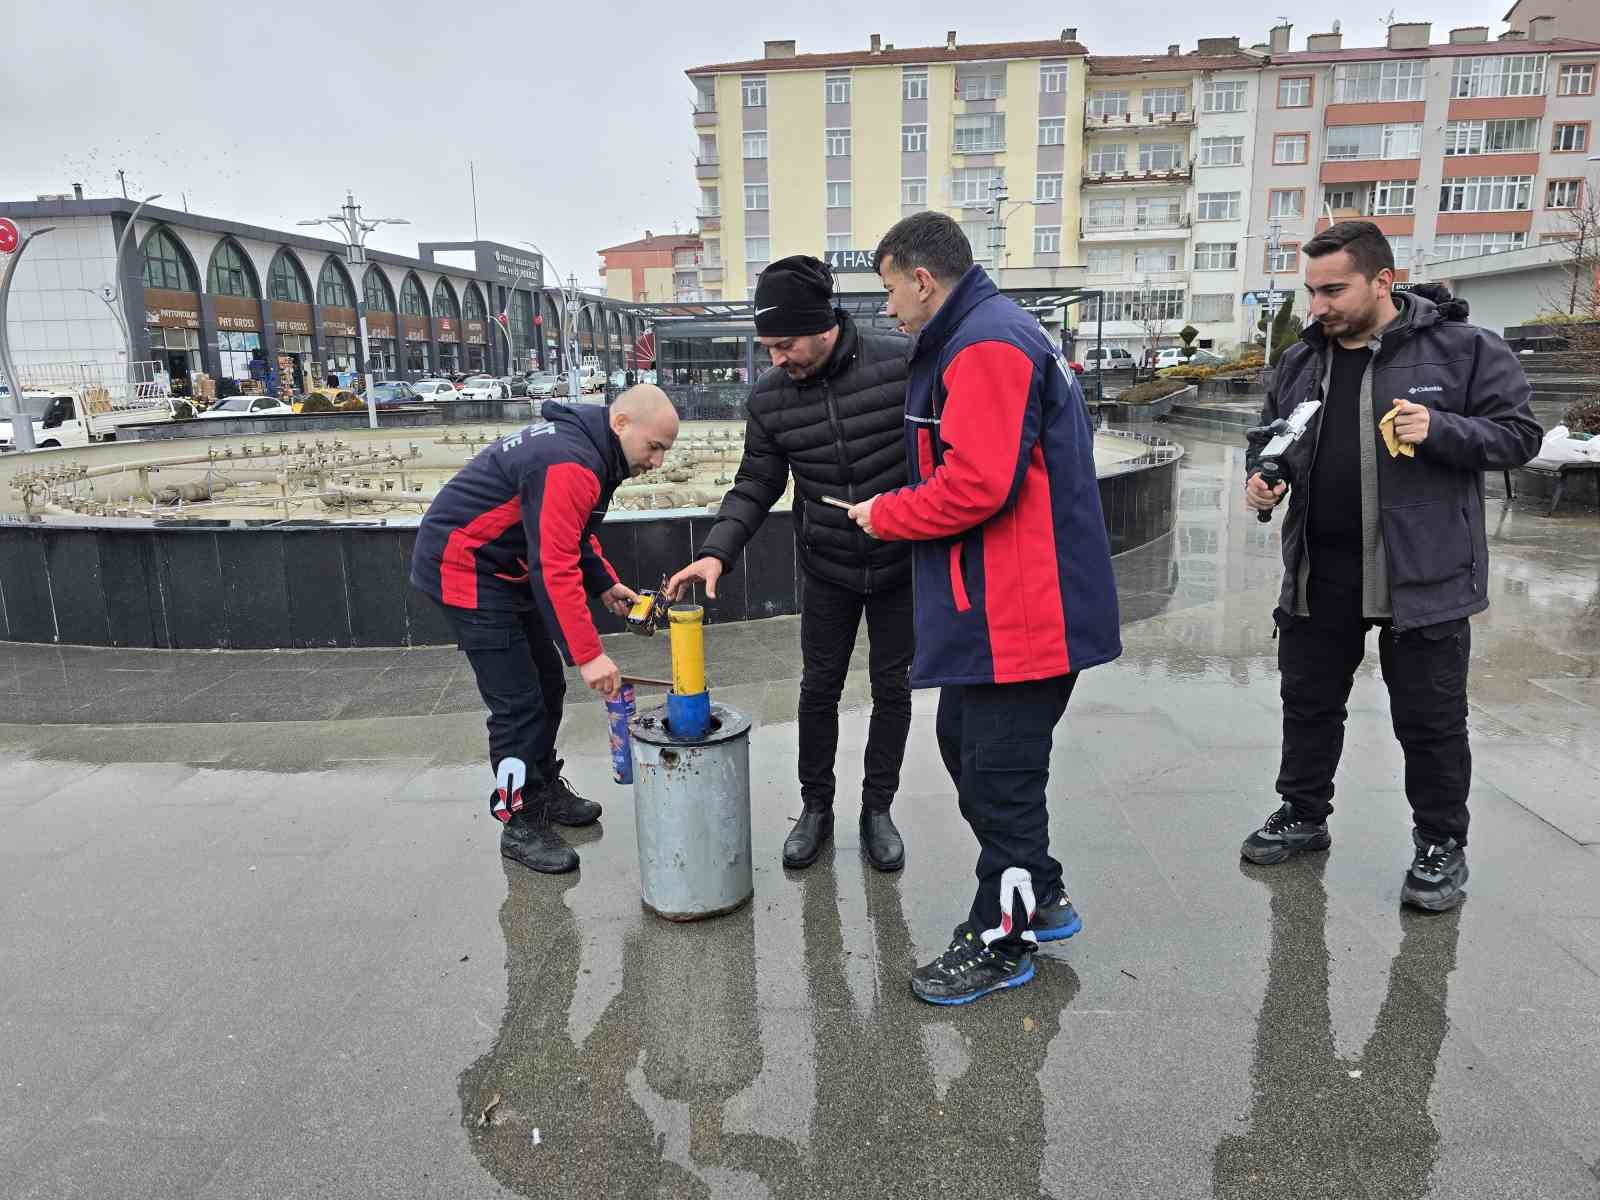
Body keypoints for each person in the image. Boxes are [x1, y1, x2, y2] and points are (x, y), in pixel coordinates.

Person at [847, 212, 1122, 1005]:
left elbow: (978, 483)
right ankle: (1039, 885)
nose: (888, 309)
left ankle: (1002, 940)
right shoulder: (979, 334)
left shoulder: (988, 344)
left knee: (999, 777)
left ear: (923, 279)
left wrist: (889, 512)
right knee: (965, 743)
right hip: (1004, 604)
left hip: (1024, 613)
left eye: (890, 290)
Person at [1240, 221, 1541, 910]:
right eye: (1311, 291)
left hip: (1422, 572)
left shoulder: (1462, 350)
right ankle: (1303, 814)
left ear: (1382, 280)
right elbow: (1273, 436)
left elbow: (1521, 435)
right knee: (1309, 704)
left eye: (1334, 290)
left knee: (1430, 720)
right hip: (1323, 568)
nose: (1318, 306)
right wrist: (1265, 480)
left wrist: (1443, 430)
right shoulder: (1300, 360)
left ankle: (1440, 845)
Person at [664, 255, 915, 872]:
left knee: (894, 689)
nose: (775, 358)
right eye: (766, 346)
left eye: (785, 343)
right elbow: (755, 483)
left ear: (824, 324)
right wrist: (716, 552)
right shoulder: (771, 398)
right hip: (827, 564)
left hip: (903, 562)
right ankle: (816, 808)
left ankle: (878, 810)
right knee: (818, 690)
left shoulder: (904, 364)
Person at [410, 387, 679, 874]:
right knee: (516, 704)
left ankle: (542, 786)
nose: (658, 462)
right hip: (465, 570)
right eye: (654, 447)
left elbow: (571, 532)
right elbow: (553, 566)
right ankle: (519, 820)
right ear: (621, 423)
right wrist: (589, 654)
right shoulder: (570, 461)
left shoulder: (590, 448)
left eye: (665, 451)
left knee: (546, 684)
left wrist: (603, 584)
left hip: (502, 566)